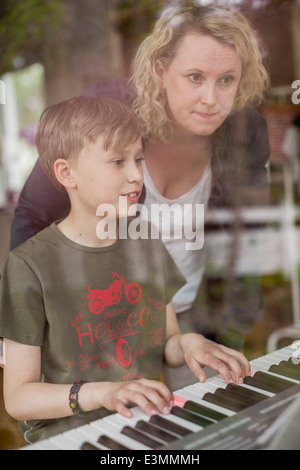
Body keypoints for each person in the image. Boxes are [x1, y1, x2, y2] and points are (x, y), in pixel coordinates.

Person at [9, 2, 271, 349]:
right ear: (161, 70)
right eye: (195, 77)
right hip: (96, 328)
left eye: (226, 80)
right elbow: (33, 215)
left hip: (191, 327)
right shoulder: (102, 111)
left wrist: (229, 335)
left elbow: (247, 240)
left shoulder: (246, 131)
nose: (211, 99)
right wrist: (29, 323)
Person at [0, 96, 250, 445]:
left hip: (145, 424)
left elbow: (167, 343)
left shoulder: (145, 239)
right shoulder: (28, 265)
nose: (136, 175)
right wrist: (104, 393)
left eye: (138, 159)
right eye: (117, 161)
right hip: (71, 436)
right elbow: (18, 398)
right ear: (66, 173)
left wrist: (190, 343)